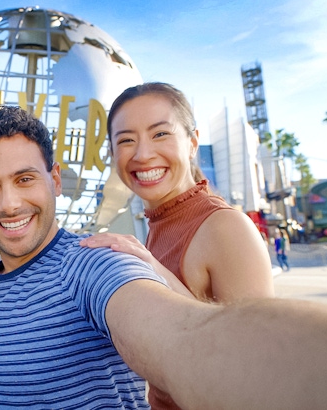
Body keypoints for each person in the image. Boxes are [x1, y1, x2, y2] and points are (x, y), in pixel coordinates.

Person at [0, 105, 327, 409]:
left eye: (25, 179)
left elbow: (186, 337)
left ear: (55, 180)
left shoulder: (95, 263)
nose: (9, 203)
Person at [80, 82, 275, 408]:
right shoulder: (157, 226)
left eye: (160, 134)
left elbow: (254, 366)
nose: (143, 154)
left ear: (193, 142)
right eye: (126, 140)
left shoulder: (225, 227)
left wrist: (152, 268)